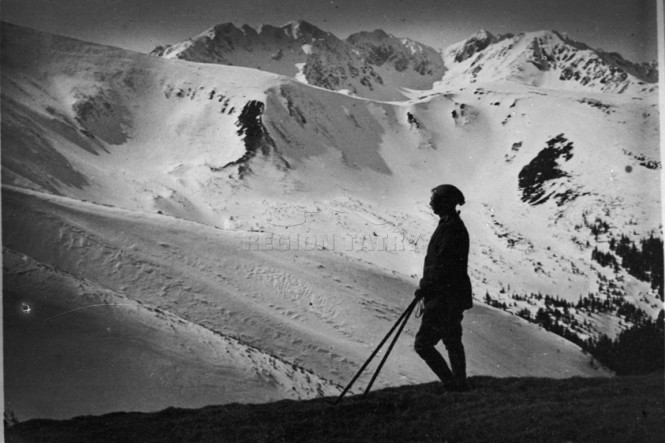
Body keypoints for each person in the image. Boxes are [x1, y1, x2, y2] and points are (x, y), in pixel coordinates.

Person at [414, 184, 473, 391]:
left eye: (435, 200)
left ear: (445, 203)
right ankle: (459, 384)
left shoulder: (450, 228)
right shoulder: (452, 225)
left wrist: (426, 286)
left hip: (443, 296)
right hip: (452, 295)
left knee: (423, 344)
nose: (431, 203)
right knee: (452, 339)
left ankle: (452, 384)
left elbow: (442, 264)